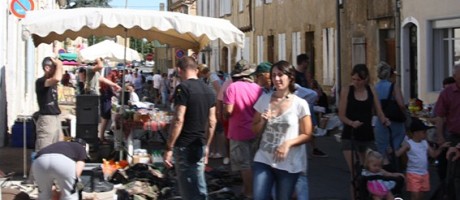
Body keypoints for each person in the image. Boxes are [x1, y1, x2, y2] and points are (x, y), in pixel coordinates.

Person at [251, 60, 313, 200]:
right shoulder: (264, 99)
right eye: (273, 76)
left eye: (280, 75)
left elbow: (308, 134)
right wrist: (262, 121)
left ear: (290, 77)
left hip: (288, 162)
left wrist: (287, 144)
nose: (277, 79)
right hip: (264, 158)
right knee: (259, 197)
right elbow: (254, 129)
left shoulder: (300, 104)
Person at [163, 57, 217, 200]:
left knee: (188, 187)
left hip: (184, 144)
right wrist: (207, 145)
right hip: (200, 142)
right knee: (199, 183)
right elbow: (212, 122)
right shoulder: (209, 90)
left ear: (180, 70)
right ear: (196, 70)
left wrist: (169, 146)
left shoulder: (183, 88)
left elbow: (179, 118)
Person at [338, 64, 390, 199]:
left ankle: (370, 196)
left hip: (367, 135)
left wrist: (384, 119)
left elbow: (379, 111)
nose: (356, 82)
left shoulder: (371, 89)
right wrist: (351, 123)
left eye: (359, 80)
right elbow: (341, 114)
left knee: (372, 170)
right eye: (354, 79)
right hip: (350, 135)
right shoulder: (346, 90)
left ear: (366, 79)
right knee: (356, 173)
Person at [224, 60, 262, 199]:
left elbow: (228, 110)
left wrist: (224, 114)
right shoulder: (257, 88)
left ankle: (249, 193)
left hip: (238, 130)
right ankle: (250, 189)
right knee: (253, 162)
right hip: (255, 129)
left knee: (244, 164)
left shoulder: (232, 88)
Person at [396, 117, 450, 200]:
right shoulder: (408, 144)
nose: (425, 134)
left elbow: (433, 154)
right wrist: (393, 150)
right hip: (413, 173)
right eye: (424, 132)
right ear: (416, 133)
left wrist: (441, 148)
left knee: (421, 196)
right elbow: (398, 154)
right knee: (415, 196)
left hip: (424, 173)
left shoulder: (425, 143)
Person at [374, 61, 407, 168]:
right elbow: (401, 105)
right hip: (395, 120)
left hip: (381, 120)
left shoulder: (374, 88)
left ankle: (384, 169)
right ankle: (393, 163)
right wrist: (405, 114)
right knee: (395, 142)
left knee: (382, 146)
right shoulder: (393, 86)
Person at [295, 54, 328, 157]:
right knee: (302, 126)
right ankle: (301, 148)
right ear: (302, 62)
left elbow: (309, 87)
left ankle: (314, 148)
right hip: (298, 104)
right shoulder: (295, 75)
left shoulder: (305, 74)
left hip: (307, 103)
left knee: (310, 126)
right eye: (307, 62)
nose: (308, 64)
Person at [435, 63, 460, 198]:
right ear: (455, 77)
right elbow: (440, 116)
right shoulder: (447, 93)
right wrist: (440, 137)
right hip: (453, 136)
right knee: (453, 172)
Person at [35, 57, 64, 151]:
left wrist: (58, 65)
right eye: (54, 67)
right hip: (46, 119)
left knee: (59, 147)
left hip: (56, 117)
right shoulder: (41, 81)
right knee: (44, 149)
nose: (57, 69)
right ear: (47, 68)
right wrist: (59, 64)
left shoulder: (53, 82)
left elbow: (58, 76)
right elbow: (57, 78)